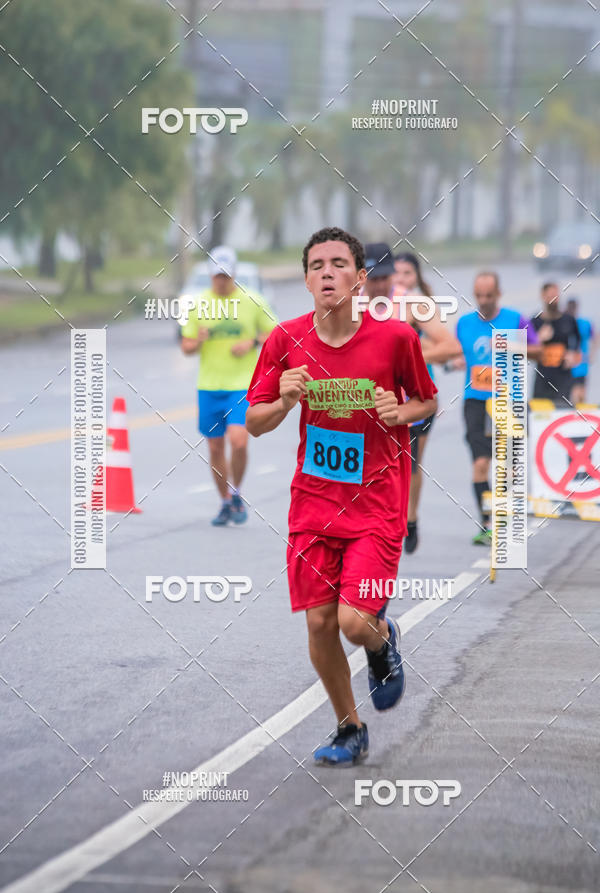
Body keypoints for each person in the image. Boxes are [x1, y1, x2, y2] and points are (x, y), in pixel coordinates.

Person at [246, 227, 437, 766]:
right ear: (306, 279)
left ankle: (380, 642)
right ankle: (349, 728)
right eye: (316, 265)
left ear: (359, 278)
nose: (326, 273)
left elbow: (426, 401)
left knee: (355, 622)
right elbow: (254, 423)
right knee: (319, 623)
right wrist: (283, 401)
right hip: (313, 502)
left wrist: (401, 413)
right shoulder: (284, 340)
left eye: (338, 264)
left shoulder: (396, 339)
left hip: (377, 504)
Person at [181, 246, 277, 526]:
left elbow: (275, 333)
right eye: (216, 276)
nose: (221, 281)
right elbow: (186, 347)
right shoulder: (198, 304)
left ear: (233, 274)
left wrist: (252, 342)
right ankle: (225, 501)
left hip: (242, 386)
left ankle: (236, 491)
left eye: (225, 275)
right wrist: (197, 341)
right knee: (214, 448)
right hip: (209, 387)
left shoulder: (252, 300)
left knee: (238, 440)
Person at [455, 271, 540, 545]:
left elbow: (540, 351)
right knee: (480, 464)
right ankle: (488, 523)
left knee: (510, 467)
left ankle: (509, 524)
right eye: (478, 296)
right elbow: (454, 352)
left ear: (499, 294)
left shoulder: (516, 319)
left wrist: (510, 345)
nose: (483, 301)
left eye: (488, 296)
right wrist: (454, 360)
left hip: (509, 399)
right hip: (476, 400)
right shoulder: (464, 324)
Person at [392, 252, 461, 553]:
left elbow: (444, 347)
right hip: (384, 396)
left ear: (417, 277)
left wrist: (414, 355)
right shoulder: (380, 306)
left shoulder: (420, 307)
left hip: (419, 395)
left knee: (410, 464)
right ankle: (389, 520)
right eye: (396, 273)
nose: (401, 279)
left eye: (407, 273)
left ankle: (411, 517)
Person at [530, 283, 581, 405]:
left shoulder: (568, 319)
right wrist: (539, 339)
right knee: (539, 414)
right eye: (550, 296)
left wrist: (574, 356)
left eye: (556, 295)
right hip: (542, 378)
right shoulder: (535, 321)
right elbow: (524, 351)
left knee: (562, 411)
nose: (554, 299)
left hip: (563, 378)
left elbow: (578, 343)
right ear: (543, 296)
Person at [566, 297, 596, 405]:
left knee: (579, 392)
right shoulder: (566, 322)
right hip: (570, 363)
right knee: (575, 392)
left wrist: (592, 354)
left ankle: (580, 415)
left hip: (581, 361)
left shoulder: (584, 323)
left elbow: (596, 337)